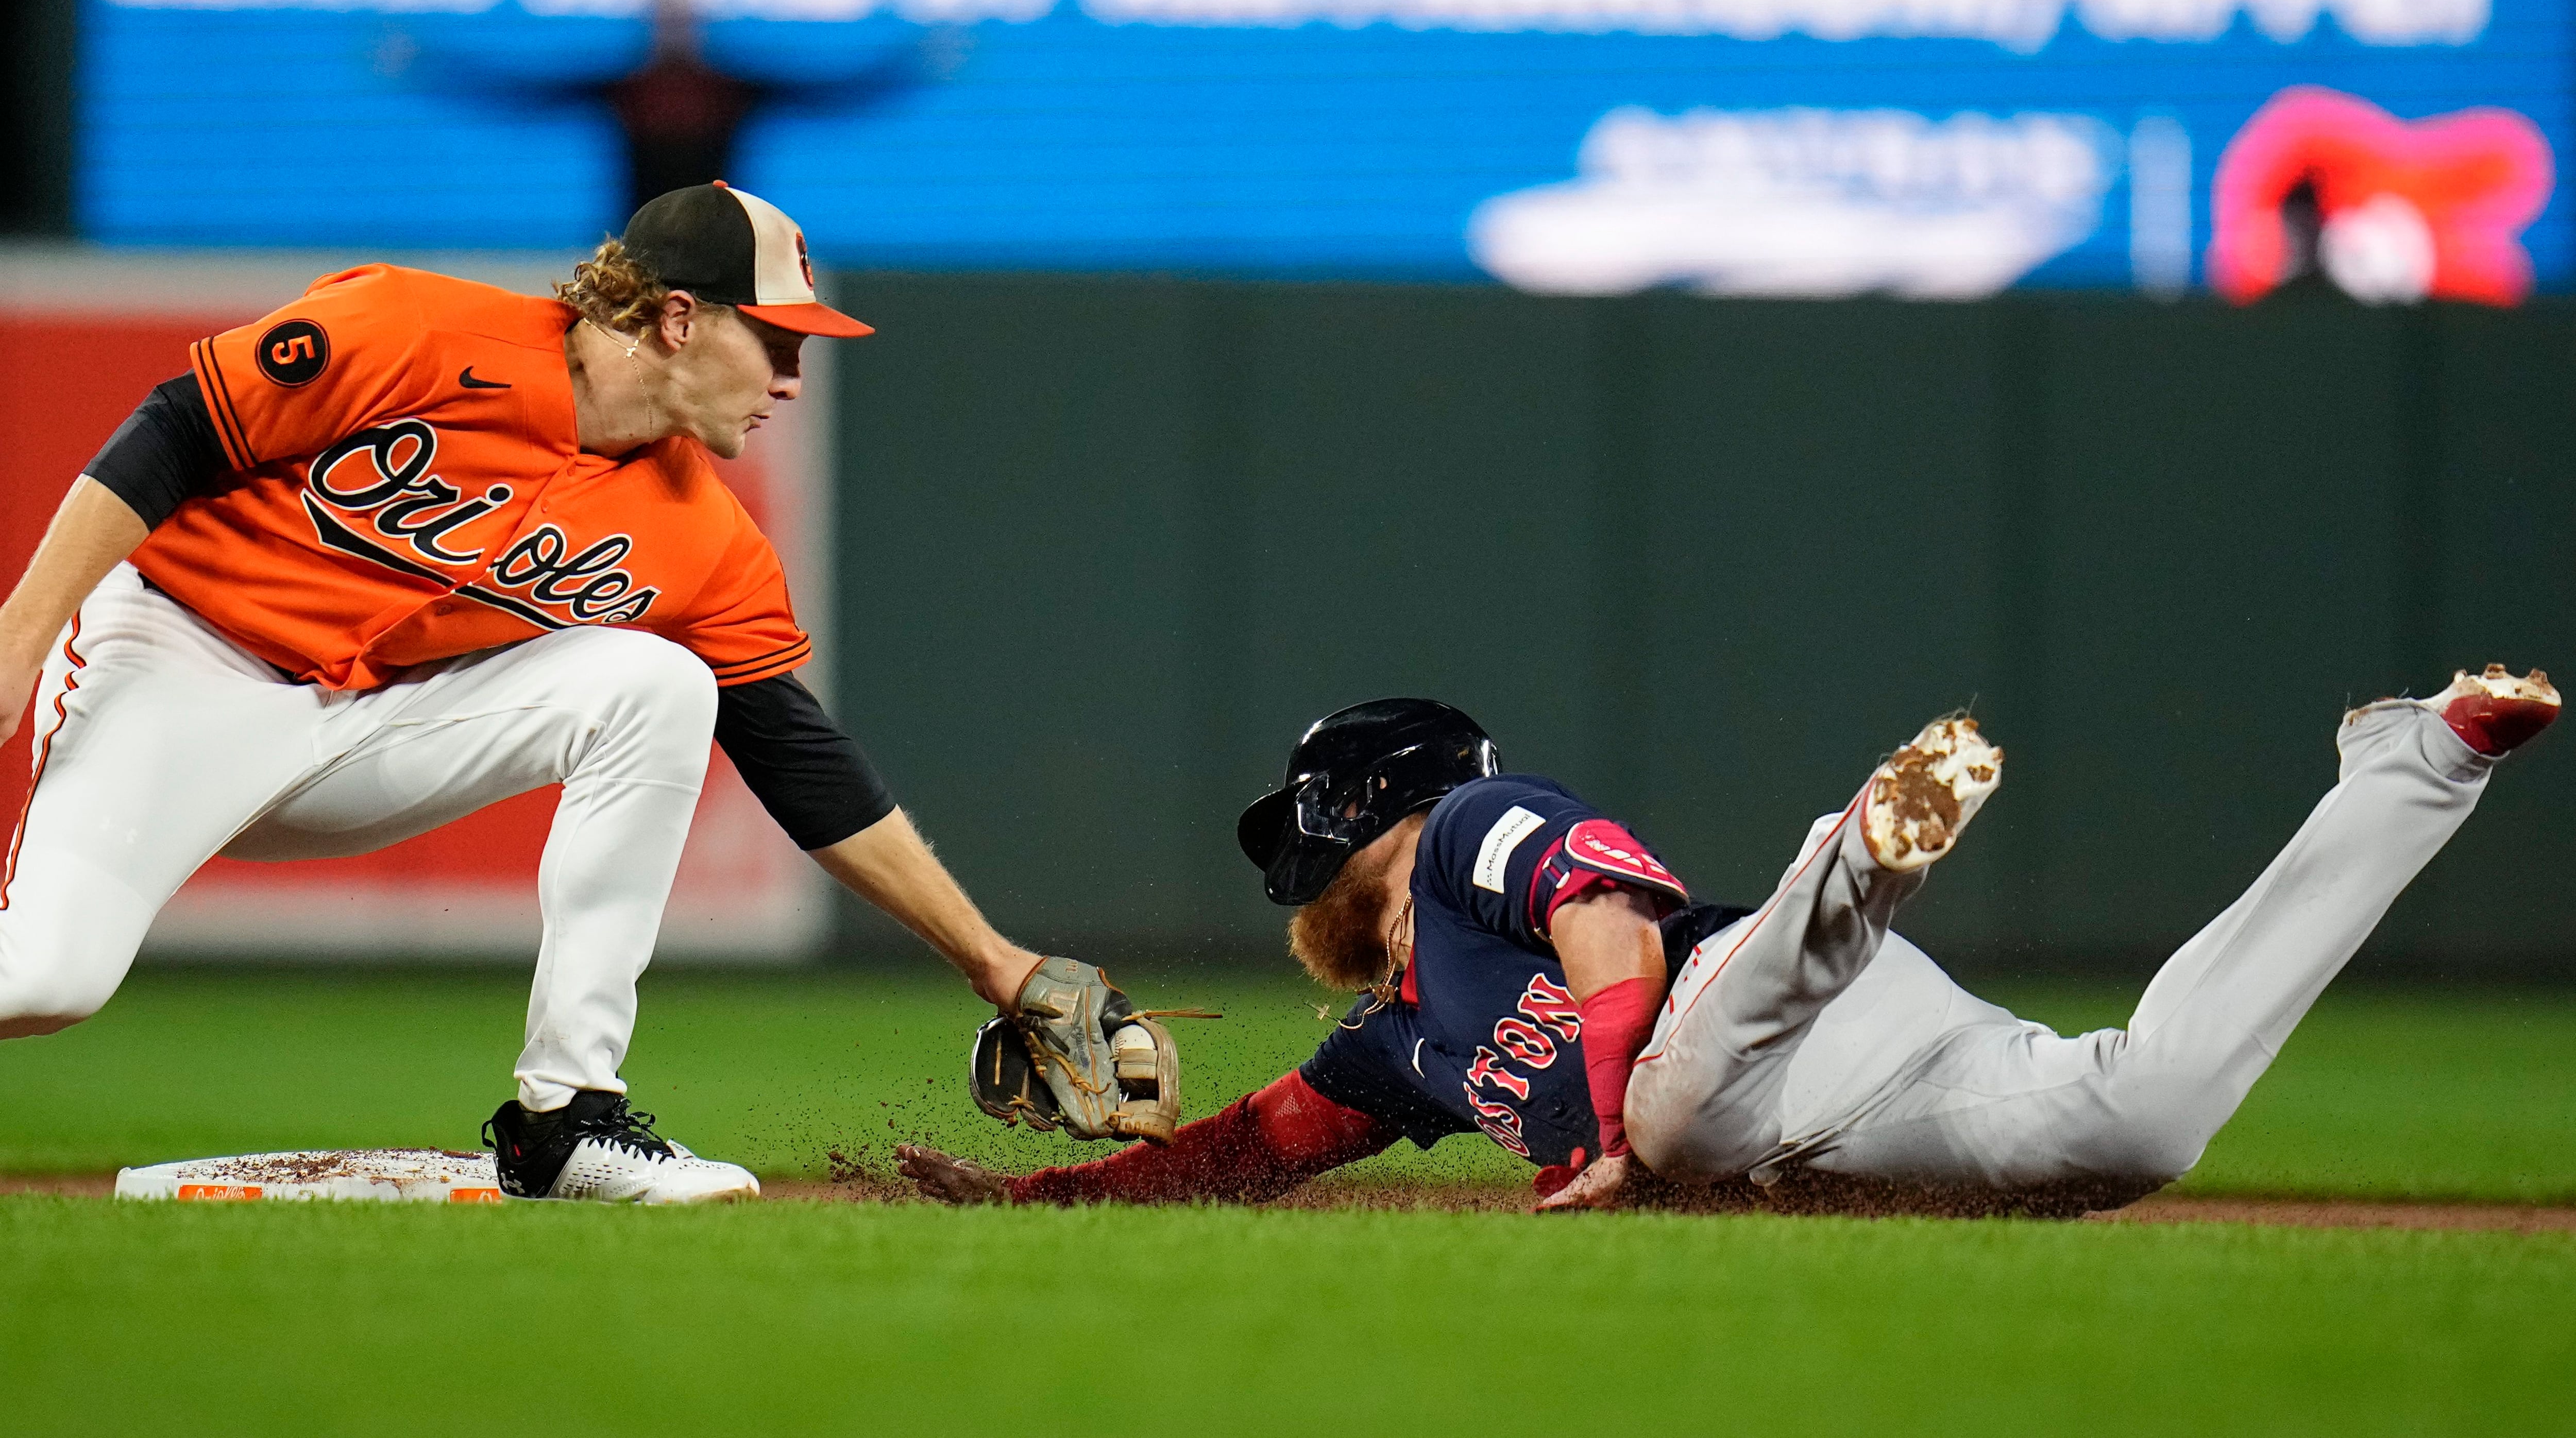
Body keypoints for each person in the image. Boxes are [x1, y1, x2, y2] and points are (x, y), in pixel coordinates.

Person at [0, 181, 1124, 1204]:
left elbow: (800, 759)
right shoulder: (415, 329)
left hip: (364, 726)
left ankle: (566, 1119)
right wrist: (19, 635)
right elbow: (174, 432)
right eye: (775, 340)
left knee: (660, 682)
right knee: (49, 977)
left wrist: (996, 962)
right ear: (680, 318)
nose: (790, 376)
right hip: (181, 661)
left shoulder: (706, 539)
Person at [900, 674, 2557, 1213]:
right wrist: (1041, 1196)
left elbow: (1609, 921)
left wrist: (1615, 1112)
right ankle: (2413, 763)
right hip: (1834, 1107)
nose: (1300, 871)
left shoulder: (1474, 828)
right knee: (2143, 1118)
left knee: (1678, 1118)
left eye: (1311, 828)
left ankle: (1862, 848)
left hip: (1741, 1009)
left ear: (1370, 807)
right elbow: (1260, 1143)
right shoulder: (1398, 1030)